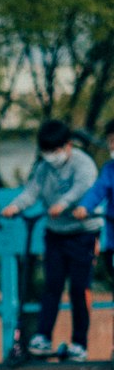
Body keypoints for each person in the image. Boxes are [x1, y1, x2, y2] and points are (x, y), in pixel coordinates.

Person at [0, 119, 102, 362]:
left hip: (83, 234)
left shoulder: (82, 163)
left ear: (67, 146)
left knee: (79, 289)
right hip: (56, 234)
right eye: (46, 151)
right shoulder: (43, 168)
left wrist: (64, 203)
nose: (50, 156)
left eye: (54, 151)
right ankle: (42, 337)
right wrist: (16, 206)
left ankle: (80, 343)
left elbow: (83, 187)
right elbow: (32, 191)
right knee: (52, 286)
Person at [72, 118, 114, 298]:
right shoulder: (109, 170)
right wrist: (84, 206)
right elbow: (98, 190)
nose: (112, 145)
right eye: (111, 141)